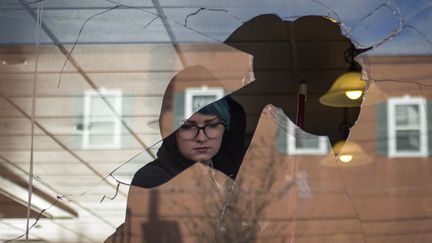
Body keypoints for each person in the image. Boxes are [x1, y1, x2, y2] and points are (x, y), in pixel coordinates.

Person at [131, 95, 246, 188]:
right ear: (171, 131)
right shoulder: (153, 180)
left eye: (213, 125)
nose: (201, 138)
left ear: (226, 129)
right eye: (187, 126)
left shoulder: (239, 177)